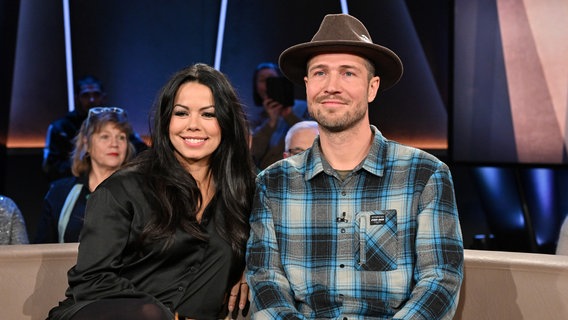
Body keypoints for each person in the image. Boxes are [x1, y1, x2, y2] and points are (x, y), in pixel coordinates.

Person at [246, 14, 464, 319]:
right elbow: (265, 279)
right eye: (320, 73)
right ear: (308, 86)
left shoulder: (425, 175)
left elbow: (440, 280)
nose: (332, 86)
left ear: (372, 87)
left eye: (348, 73)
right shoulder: (273, 182)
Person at [47, 63, 255, 320]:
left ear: (225, 122)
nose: (193, 125)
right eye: (181, 113)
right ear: (166, 120)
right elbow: (91, 280)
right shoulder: (124, 189)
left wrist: (252, 266)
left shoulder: (244, 187)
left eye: (208, 114)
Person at [34, 107, 136, 243]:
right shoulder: (59, 194)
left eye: (121, 137)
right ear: (86, 144)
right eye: (105, 136)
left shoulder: (141, 193)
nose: (114, 144)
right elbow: (43, 252)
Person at [42, 75, 147, 182]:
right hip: (72, 183)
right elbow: (51, 167)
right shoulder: (60, 128)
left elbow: (143, 154)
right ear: (77, 98)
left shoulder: (119, 124)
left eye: (96, 95)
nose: (91, 100)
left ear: (103, 97)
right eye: (86, 95)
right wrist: (91, 167)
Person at [250, 62, 311, 169]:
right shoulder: (254, 119)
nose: (267, 85)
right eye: (262, 80)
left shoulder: (304, 108)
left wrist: (288, 115)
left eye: (271, 79)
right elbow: (252, 153)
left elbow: (315, 139)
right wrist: (270, 123)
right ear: (256, 86)